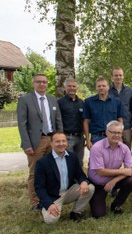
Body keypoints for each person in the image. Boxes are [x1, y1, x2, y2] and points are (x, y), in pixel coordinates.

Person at [17, 72, 63, 210]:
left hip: (52, 140)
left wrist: (59, 139)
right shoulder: (25, 100)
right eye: (38, 82)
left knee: (52, 169)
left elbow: (58, 120)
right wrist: (26, 144)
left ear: (47, 84)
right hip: (36, 141)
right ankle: (35, 201)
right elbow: (22, 124)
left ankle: (49, 197)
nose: (42, 84)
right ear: (34, 84)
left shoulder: (52, 99)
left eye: (44, 82)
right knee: (35, 172)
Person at [34, 132, 94, 223]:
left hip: (69, 191)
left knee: (90, 188)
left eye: (63, 141)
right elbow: (39, 188)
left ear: (67, 142)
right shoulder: (42, 163)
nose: (61, 144)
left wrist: (83, 182)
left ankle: (76, 212)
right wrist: (49, 204)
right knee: (51, 221)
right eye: (57, 141)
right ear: (51, 144)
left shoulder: (72, 157)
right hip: (53, 196)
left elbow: (80, 175)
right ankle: (44, 207)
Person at [88, 121, 132, 218]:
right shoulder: (97, 148)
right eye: (113, 132)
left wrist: (114, 181)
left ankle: (116, 205)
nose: (116, 135)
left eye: (119, 133)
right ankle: (96, 199)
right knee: (99, 214)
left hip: (113, 179)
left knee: (131, 181)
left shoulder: (124, 148)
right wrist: (122, 171)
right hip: (98, 184)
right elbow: (100, 172)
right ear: (106, 132)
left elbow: (129, 170)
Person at [83, 77, 124, 149]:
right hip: (96, 137)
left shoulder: (117, 102)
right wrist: (87, 139)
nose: (101, 88)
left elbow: (120, 119)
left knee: (114, 159)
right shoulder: (88, 102)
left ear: (108, 87)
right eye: (99, 86)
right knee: (97, 160)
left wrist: (120, 136)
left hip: (113, 136)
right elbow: (86, 122)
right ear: (96, 87)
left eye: (104, 86)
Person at [57, 78, 85, 165]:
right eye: (69, 86)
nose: (72, 88)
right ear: (65, 87)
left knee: (79, 162)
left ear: (77, 88)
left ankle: (78, 178)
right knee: (68, 162)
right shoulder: (60, 103)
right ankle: (69, 179)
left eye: (74, 86)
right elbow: (57, 120)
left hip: (80, 137)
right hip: (67, 137)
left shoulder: (81, 103)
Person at [109, 67, 132, 149]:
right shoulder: (107, 91)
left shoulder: (130, 91)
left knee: (126, 152)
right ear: (112, 77)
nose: (118, 77)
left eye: (120, 75)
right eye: (116, 75)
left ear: (123, 76)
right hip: (112, 128)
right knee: (113, 152)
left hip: (126, 128)